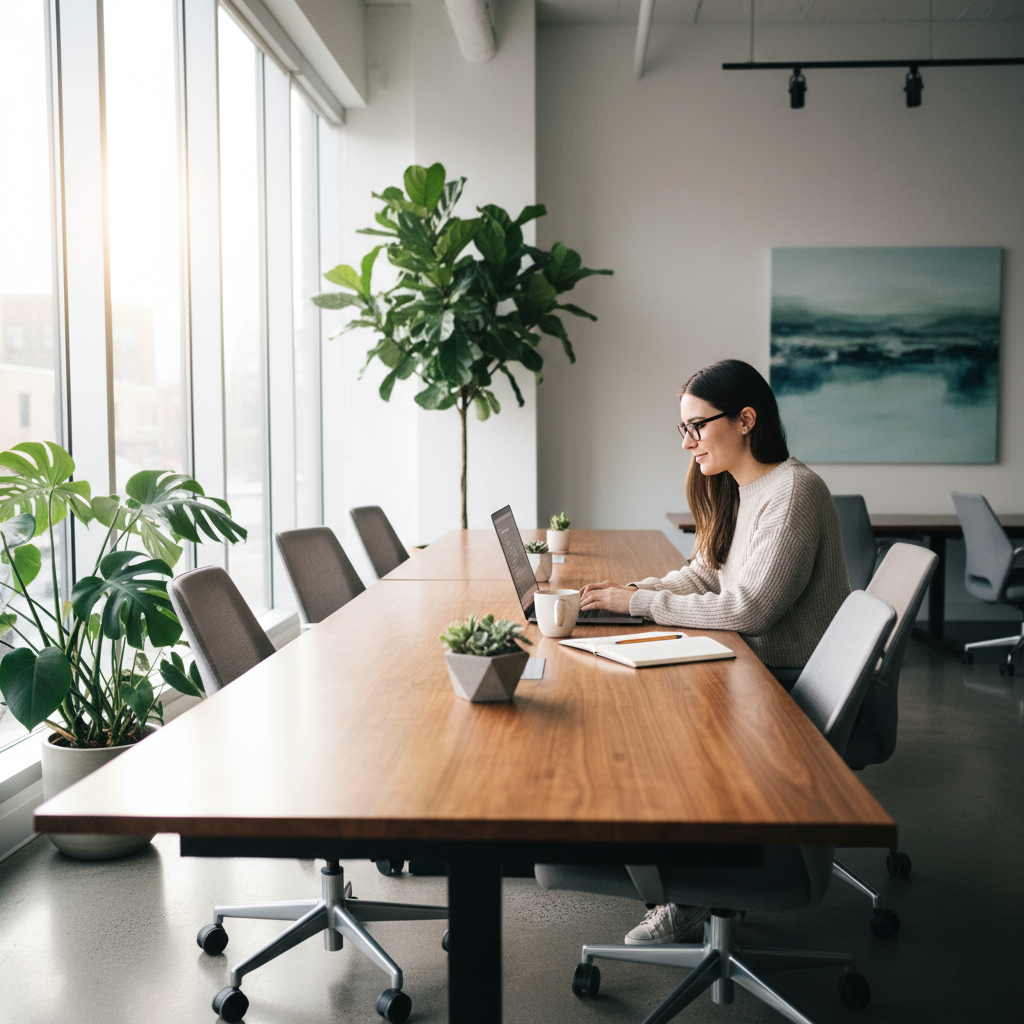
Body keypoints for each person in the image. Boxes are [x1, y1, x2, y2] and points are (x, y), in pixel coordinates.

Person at [579, 358, 850, 946]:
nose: (688, 443)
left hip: (789, 682)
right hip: (753, 667)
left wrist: (639, 607)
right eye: (683, 429)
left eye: (697, 427)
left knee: (658, 723)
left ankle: (695, 888)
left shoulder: (794, 492)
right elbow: (706, 574)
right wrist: (630, 595)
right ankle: (686, 870)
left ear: (746, 419)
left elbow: (750, 609)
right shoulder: (738, 487)